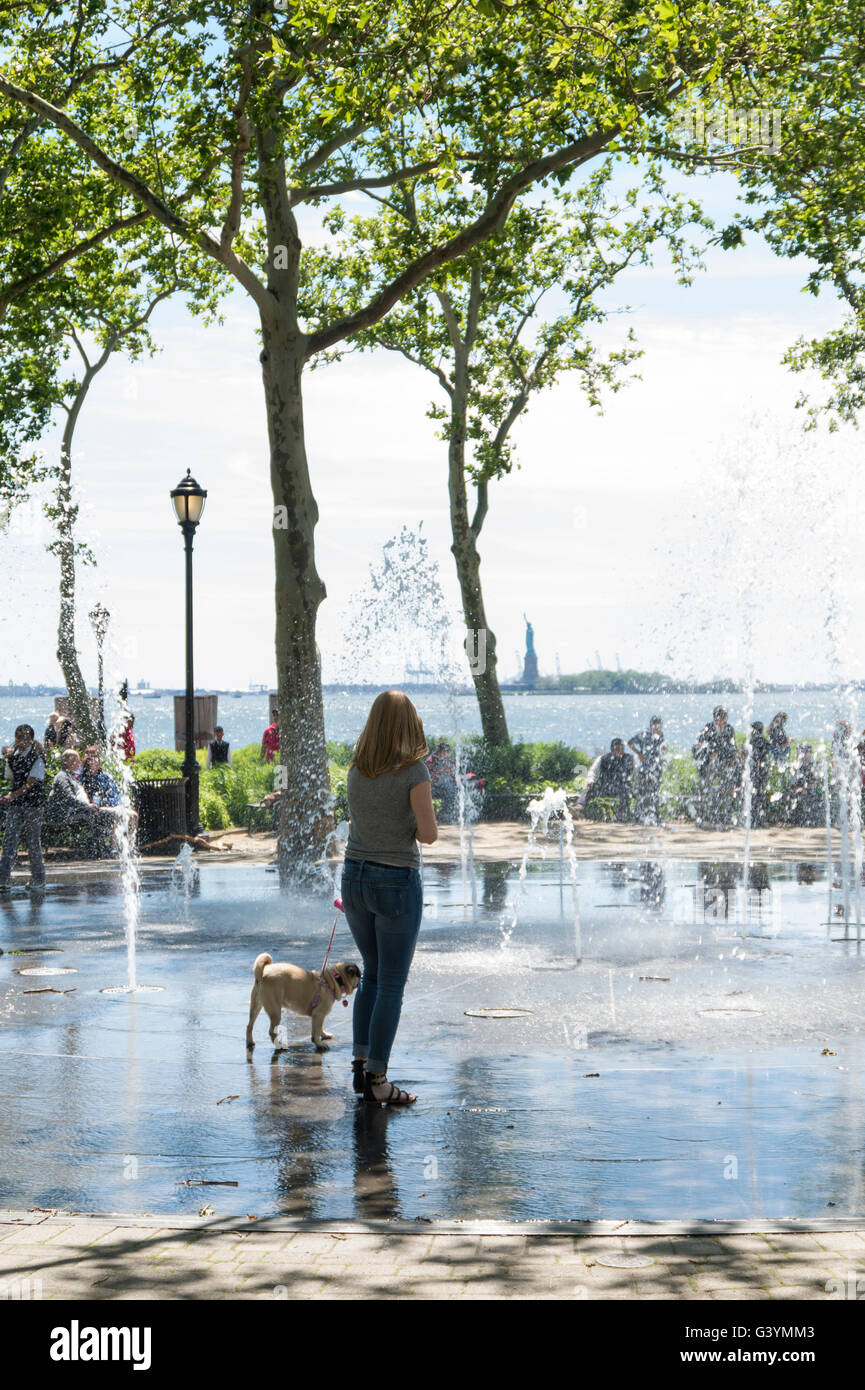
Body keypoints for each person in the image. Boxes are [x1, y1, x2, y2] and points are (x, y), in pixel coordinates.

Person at [341, 689, 437, 1106]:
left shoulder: (357, 769)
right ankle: (379, 1079)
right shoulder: (413, 772)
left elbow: (360, 823)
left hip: (354, 878)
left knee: (372, 975)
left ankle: (361, 1067)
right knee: (391, 983)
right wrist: (408, 829)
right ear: (409, 724)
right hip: (395, 881)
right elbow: (429, 834)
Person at [0, 725, 46, 891]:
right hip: (16, 805)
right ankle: (3, 879)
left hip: (33, 805)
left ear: (31, 739)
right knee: (9, 841)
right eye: (19, 737)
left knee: (33, 843)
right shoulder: (13, 757)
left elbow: (30, 783)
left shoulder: (38, 757)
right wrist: (8, 755)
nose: (22, 741)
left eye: (26, 737)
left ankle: (38, 878)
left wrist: (11, 796)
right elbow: (12, 778)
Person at [692, 706, 738, 827]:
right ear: (715, 718)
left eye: (725, 718)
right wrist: (709, 754)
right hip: (709, 765)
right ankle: (702, 816)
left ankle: (724, 816)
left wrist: (730, 757)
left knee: (727, 790)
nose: (723, 721)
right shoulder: (708, 728)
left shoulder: (729, 729)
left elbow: (733, 747)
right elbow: (697, 746)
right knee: (705, 790)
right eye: (721, 718)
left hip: (724, 763)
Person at [580, 738, 634, 822]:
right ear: (612, 749)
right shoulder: (603, 758)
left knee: (627, 790)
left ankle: (621, 814)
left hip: (621, 786)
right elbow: (593, 770)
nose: (620, 750)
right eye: (617, 748)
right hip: (604, 785)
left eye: (622, 748)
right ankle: (580, 807)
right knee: (589, 787)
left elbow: (637, 772)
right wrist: (590, 780)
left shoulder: (629, 759)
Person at [628, 716, 665, 824]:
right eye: (655, 725)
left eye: (659, 725)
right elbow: (630, 742)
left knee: (655, 792)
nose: (657, 728)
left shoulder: (661, 734)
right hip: (644, 768)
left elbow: (661, 748)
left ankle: (656, 815)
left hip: (656, 768)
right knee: (641, 792)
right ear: (650, 725)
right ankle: (637, 816)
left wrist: (662, 757)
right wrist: (639, 753)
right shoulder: (644, 734)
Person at [787, 743, 823, 827]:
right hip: (798, 789)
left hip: (810, 789)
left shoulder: (814, 765)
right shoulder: (796, 765)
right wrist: (793, 788)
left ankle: (808, 820)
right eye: (799, 752)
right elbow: (793, 781)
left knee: (805, 794)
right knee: (789, 794)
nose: (800, 754)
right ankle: (793, 819)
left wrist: (804, 788)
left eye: (803, 752)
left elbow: (817, 781)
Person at [425, 739, 457, 822]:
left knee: (453, 791)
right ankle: (434, 816)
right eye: (444, 752)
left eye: (447, 752)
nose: (446, 754)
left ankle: (444, 814)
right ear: (439, 752)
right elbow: (428, 777)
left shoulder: (449, 759)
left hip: (445, 786)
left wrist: (453, 771)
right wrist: (441, 771)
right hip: (432, 787)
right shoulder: (431, 760)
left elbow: (454, 775)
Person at [748, 720, 772, 826]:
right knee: (760, 795)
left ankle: (753, 818)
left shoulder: (753, 740)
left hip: (754, 772)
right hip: (762, 772)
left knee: (753, 795)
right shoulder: (764, 741)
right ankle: (760, 818)